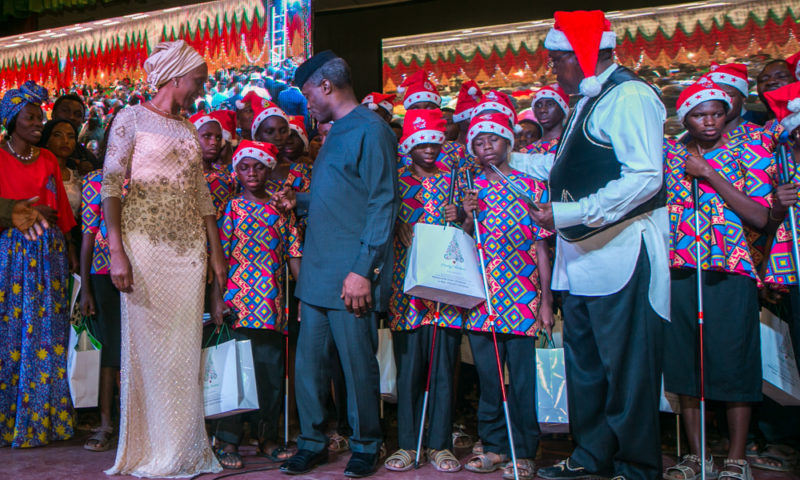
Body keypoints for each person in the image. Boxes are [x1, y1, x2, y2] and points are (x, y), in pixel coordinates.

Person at [529, 11, 669, 480]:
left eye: (556, 60)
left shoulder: (629, 95)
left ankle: (636, 467)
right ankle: (591, 458)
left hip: (621, 255)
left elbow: (646, 178)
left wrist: (569, 213)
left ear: (582, 55)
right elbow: (567, 167)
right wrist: (503, 155)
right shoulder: (590, 99)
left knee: (627, 373)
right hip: (582, 259)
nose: (553, 70)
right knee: (586, 370)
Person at [101, 40, 225, 478]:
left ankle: (184, 449)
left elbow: (202, 194)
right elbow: (111, 187)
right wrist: (117, 250)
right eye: (199, 80)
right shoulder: (129, 118)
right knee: (151, 353)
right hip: (143, 247)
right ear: (176, 76)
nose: (200, 88)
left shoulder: (190, 129)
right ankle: (155, 450)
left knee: (183, 351)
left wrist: (216, 254)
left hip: (189, 252)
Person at [273, 50, 398, 478]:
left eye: (308, 93)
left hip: (350, 272)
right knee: (309, 365)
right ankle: (312, 441)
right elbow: (344, 195)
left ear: (326, 86)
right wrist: (300, 201)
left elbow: (383, 204)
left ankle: (367, 443)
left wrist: (363, 269)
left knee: (356, 362)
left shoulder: (371, 129)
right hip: (317, 272)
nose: (306, 103)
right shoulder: (333, 131)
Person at [662, 78, 773, 480]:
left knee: (734, 363)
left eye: (716, 112)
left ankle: (737, 458)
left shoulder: (750, 149)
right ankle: (698, 456)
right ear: (684, 118)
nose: (709, 121)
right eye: (698, 114)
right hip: (679, 269)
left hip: (732, 268)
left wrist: (709, 173)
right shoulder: (669, 155)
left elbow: (760, 216)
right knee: (687, 365)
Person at [461, 112, 554, 480]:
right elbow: (465, 244)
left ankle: (526, 450)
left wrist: (546, 300)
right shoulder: (471, 189)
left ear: (508, 143)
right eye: (479, 143)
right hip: (483, 297)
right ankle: (496, 445)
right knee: (488, 379)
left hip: (524, 296)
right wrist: (467, 218)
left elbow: (542, 246)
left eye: (494, 140)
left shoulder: (529, 186)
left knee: (523, 380)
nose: (487, 148)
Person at [212, 140, 303, 469]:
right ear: (236, 171)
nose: (252, 173)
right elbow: (219, 258)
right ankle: (227, 439)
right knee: (236, 373)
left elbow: (294, 254)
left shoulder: (281, 209)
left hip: (273, 305)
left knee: (269, 375)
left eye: (259, 166)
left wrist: (304, 296)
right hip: (237, 302)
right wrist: (217, 300)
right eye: (244, 167)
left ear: (269, 169)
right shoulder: (233, 208)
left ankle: (267, 437)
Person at [384, 109, 463, 474]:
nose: (429, 148)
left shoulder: (453, 180)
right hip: (407, 290)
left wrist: (462, 215)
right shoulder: (395, 181)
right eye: (422, 142)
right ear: (409, 145)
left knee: (444, 369)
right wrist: (396, 220)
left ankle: (439, 445)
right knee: (410, 370)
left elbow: (469, 225)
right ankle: (407, 444)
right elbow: (377, 218)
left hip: (445, 288)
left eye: (435, 140)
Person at [0, 81, 77, 448]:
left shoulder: (47, 160)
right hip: (11, 258)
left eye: (39, 117)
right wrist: (25, 211)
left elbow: (63, 214)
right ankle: (10, 420)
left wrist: (74, 262)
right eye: (30, 118)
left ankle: (46, 421)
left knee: (49, 335)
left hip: (50, 258)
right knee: (12, 336)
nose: (37, 124)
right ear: (12, 120)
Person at [79, 166, 127, 452]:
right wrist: (86, 288)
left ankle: (136, 421)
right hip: (104, 269)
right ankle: (106, 423)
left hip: (146, 271)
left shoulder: (149, 173)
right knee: (110, 350)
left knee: (139, 350)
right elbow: (88, 235)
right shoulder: (96, 179)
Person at [398, 70, 471, 172]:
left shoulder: (457, 150)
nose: (423, 112)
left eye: (429, 108)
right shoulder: (398, 152)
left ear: (438, 110)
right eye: (415, 108)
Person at [191, 111, 235, 219]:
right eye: (207, 136)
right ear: (192, 137)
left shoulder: (226, 176)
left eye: (218, 138)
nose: (214, 142)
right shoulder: (185, 176)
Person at [39, 119, 82, 218]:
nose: (65, 141)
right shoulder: (37, 172)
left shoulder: (77, 176)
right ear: (47, 141)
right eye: (58, 135)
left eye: (71, 137)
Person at [51, 93, 100, 171]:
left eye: (78, 114)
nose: (71, 117)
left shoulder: (87, 158)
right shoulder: (35, 149)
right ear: (53, 114)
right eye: (65, 111)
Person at [452, 80, 483, 147]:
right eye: (469, 118)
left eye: (480, 117)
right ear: (459, 122)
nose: (477, 121)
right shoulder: (450, 150)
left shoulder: (486, 149)